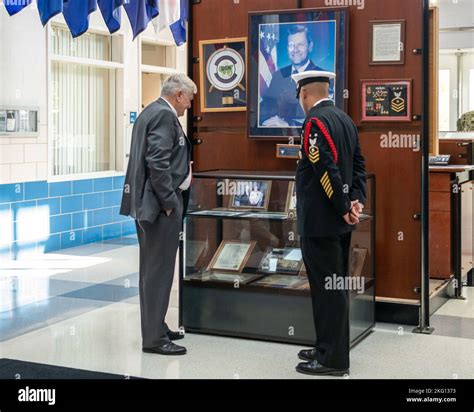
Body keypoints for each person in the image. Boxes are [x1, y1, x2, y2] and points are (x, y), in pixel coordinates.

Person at [291, 70, 366, 376]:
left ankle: (332, 360)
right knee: (333, 288)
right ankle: (326, 346)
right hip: (340, 220)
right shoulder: (345, 120)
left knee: (328, 290)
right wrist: (356, 202)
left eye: (299, 96)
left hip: (322, 222)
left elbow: (324, 169)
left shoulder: (314, 122)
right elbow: (359, 164)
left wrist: (342, 206)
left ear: (304, 94)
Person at [120, 74, 197, 356]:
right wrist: (168, 202)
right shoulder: (164, 116)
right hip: (159, 208)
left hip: (147, 206)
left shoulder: (149, 112)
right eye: (188, 99)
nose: (188, 105)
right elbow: (157, 161)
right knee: (158, 273)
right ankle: (153, 339)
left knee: (153, 271)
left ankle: (157, 325)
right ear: (178, 94)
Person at [259, 25, 329, 128]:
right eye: (291, 45)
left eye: (300, 44)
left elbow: (324, 119)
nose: (295, 50)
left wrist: (288, 125)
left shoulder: (321, 77)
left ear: (310, 46)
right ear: (287, 49)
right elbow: (266, 108)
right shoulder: (278, 75)